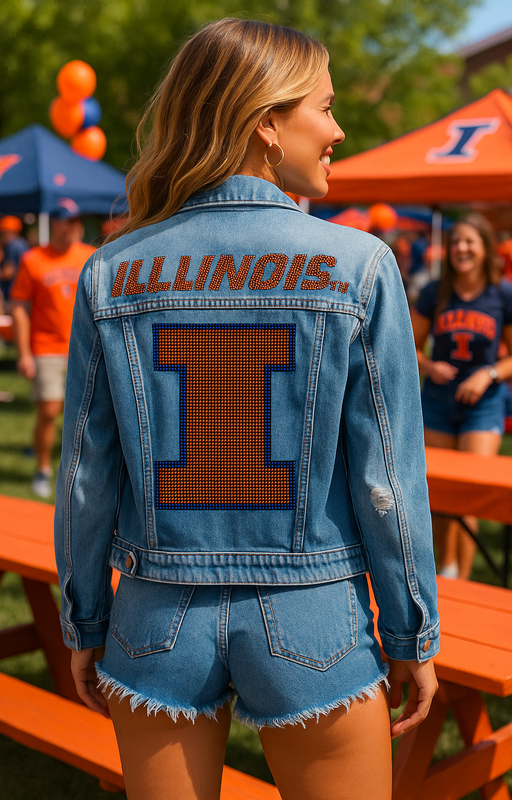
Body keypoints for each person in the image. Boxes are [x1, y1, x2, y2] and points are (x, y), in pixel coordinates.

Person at [54, 19, 438, 800]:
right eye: (323, 108)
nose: (337, 130)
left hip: (154, 617)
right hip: (312, 614)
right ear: (265, 123)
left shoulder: (110, 271)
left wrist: (85, 619)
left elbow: (87, 482)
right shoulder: (358, 264)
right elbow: (386, 482)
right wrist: (409, 629)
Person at [412, 213, 512, 580]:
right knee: (440, 496)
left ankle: (463, 578)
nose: (461, 248)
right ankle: (446, 570)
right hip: (438, 402)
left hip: (483, 404)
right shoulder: (434, 292)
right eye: (455, 242)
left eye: (470, 241)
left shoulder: (503, 294)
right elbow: (409, 346)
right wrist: (430, 365)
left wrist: (488, 374)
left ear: (485, 248)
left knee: (470, 493)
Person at [11, 201, 95, 498]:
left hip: (84, 346)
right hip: (47, 346)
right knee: (49, 410)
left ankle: (81, 473)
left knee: (87, 417)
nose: (71, 226)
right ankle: (43, 469)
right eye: (65, 220)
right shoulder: (33, 259)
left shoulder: (91, 256)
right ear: (54, 223)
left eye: (75, 220)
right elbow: (19, 306)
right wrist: (24, 353)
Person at [0, 215, 30, 305]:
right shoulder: (23, 244)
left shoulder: (12, 246)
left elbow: (8, 272)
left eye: (1, 233)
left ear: (8, 232)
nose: (0, 236)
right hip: (23, 292)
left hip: (14, 292)